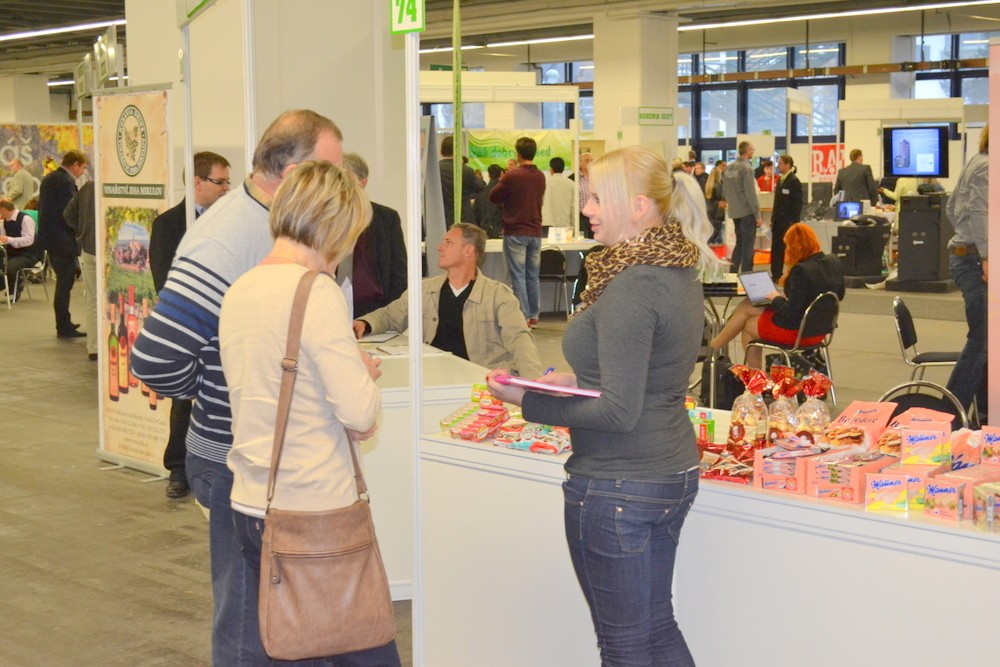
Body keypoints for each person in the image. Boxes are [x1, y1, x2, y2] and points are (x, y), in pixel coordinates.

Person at [486, 146, 719, 666]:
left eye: (596, 198)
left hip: (619, 483)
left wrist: (529, 401)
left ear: (638, 206)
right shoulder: (674, 268)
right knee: (656, 627)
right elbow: (644, 374)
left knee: (624, 645)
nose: (586, 208)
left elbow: (618, 411)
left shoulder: (633, 283)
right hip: (667, 471)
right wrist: (573, 381)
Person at [131, 109, 345, 665]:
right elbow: (155, 358)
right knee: (251, 627)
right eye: (329, 170)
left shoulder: (267, 226)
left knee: (274, 616)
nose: (337, 185)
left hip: (258, 457)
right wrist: (222, 386)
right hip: (235, 458)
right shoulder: (230, 237)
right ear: (292, 172)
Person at [219, 160, 401, 666]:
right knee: (363, 646)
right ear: (335, 226)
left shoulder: (241, 289)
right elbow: (360, 415)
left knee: (291, 645)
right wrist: (361, 372)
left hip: (252, 501)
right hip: (315, 509)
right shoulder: (315, 292)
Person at [148, 150, 232, 499]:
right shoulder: (168, 224)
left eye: (228, 181)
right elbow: (164, 279)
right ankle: (178, 468)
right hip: (190, 326)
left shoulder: (231, 223)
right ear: (198, 182)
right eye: (220, 181)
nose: (227, 188)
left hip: (229, 324)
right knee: (183, 400)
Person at [354, 223, 542, 378]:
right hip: (433, 377)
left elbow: (520, 340)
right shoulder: (424, 290)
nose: (439, 247)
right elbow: (390, 315)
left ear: (468, 250)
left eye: (448, 242)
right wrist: (364, 323)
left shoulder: (498, 296)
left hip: (481, 380)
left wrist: (534, 384)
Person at [709, 223, 845, 368]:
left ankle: (715, 352)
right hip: (821, 331)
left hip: (799, 333)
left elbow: (790, 312)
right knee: (749, 305)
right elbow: (839, 295)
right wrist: (790, 298)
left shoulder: (801, 270)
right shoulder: (833, 262)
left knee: (749, 325)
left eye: (787, 246)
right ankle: (714, 348)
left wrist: (776, 298)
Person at [945, 125, 988, 417]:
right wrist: (986, 256)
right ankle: (949, 413)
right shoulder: (988, 167)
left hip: (968, 255)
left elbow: (952, 208)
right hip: (975, 260)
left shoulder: (976, 161)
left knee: (987, 342)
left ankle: (982, 413)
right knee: (982, 341)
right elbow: (980, 214)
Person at [340, 152, 407, 318]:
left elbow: (399, 271)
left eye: (345, 177)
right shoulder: (323, 218)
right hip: (333, 305)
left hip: (375, 309)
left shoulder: (386, 218)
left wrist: (389, 314)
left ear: (363, 182)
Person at [490, 136, 546, 328]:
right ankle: (535, 315)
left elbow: (493, 196)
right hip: (535, 231)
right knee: (532, 276)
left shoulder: (512, 176)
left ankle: (524, 316)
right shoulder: (541, 176)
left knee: (518, 276)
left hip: (515, 230)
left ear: (518, 154)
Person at [37, 150, 88, 339]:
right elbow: (69, 212)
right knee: (64, 284)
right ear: (75, 165)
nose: (83, 172)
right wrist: (79, 232)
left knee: (63, 282)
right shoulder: (66, 182)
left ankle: (64, 322)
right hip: (63, 241)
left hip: (51, 240)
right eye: (82, 167)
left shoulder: (50, 178)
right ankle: (64, 326)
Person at [62, 181, 98, 359]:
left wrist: (82, 232)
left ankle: (94, 347)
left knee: (92, 300)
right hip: (107, 250)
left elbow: (68, 213)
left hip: (88, 248)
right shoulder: (115, 184)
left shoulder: (87, 187)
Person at [723, 140, 761, 273]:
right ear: (748, 151)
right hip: (746, 212)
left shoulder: (729, 168)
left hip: (734, 212)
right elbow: (751, 194)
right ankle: (747, 274)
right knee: (748, 245)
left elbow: (725, 190)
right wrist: (757, 215)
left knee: (739, 243)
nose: (753, 152)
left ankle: (732, 273)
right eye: (752, 149)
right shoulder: (747, 169)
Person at [0, 197, 42, 302]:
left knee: (9, 267)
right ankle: (7, 285)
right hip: (11, 253)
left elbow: (29, 240)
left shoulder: (25, 219)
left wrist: (9, 239)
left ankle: (15, 285)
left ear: (3, 209)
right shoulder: (5, 222)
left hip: (28, 254)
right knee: (2, 264)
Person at [770, 154, 803, 281]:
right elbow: (777, 202)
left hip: (788, 222)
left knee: (790, 250)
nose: (778, 166)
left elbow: (797, 204)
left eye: (780, 163)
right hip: (778, 222)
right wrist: (773, 219)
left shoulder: (794, 181)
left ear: (788, 165)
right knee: (776, 249)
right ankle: (776, 274)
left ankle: (792, 275)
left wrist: (793, 222)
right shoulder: (780, 180)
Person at [439, 134, 484, 227]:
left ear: (441, 151)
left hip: (441, 219)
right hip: (464, 219)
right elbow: (480, 186)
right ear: (458, 151)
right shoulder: (466, 170)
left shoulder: (434, 170)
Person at [541, 156, 575, 234]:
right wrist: (574, 225)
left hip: (547, 223)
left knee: (547, 242)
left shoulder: (545, 183)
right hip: (565, 223)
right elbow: (573, 207)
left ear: (551, 169)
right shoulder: (571, 184)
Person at [473, 164, 504, 238]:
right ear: (501, 174)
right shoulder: (506, 192)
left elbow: (476, 213)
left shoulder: (481, 193)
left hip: (484, 231)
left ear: (489, 175)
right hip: (501, 231)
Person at [569, 151, 593, 238]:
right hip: (580, 217)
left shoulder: (597, 177)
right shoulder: (573, 178)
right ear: (580, 162)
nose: (590, 163)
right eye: (587, 160)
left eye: (592, 160)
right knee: (583, 239)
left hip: (594, 215)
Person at [704, 163, 726, 247]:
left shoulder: (708, 185)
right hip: (717, 209)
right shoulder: (719, 185)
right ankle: (717, 241)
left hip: (709, 207)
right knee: (717, 226)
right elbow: (721, 196)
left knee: (711, 226)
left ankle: (710, 241)